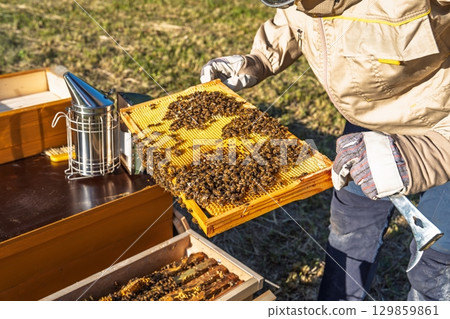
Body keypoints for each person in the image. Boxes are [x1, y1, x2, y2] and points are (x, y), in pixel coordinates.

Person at [200, 0, 450, 300]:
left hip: (442, 128)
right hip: (367, 128)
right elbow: (298, 19)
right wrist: (260, 58)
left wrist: (425, 156)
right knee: (350, 229)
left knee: (435, 267)